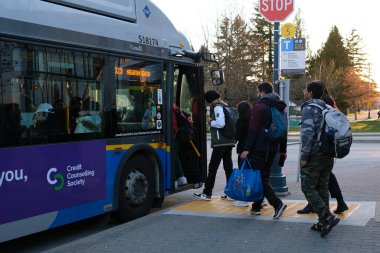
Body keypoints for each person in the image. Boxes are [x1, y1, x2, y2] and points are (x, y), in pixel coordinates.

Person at [297, 81, 348, 215]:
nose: (304, 92)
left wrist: (304, 156)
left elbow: (307, 134)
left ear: (310, 93)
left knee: (307, 186)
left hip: (315, 153)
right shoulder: (326, 106)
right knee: (323, 186)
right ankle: (324, 220)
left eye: (305, 90)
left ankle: (326, 217)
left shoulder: (308, 108)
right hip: (328, 152)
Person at [240, 82, 287, 219]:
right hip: (273, 148)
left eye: (258, 91)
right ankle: (257, 205)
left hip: (259, 149)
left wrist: (247, 149)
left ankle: (277, 204)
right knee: (263, 176)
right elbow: (284, 129)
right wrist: (282, 150)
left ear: (262, 92)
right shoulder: (279, 106)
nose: (258, 94)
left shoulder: (259, 106)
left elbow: (253, 130)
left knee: (261, 178)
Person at [193, 90, 236, 201]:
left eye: (208, 101)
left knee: (212, 168)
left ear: (211, 100)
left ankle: (207, 193)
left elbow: (220, 124)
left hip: (220, 143)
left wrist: (210, 121)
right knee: (228, 167)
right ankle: (230, 193)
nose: (209, 104)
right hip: (229, 141)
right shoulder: (226, 106)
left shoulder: (218, 107)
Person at [233, 101, 252, 207]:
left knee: (243, 174)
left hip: (243, 150)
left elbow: (238, 136)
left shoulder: (241, 120)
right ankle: (260, 198)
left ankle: (243, 199)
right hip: (253, 150)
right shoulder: (253, 119)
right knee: (253, 174)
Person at [172, 103, 191, 187]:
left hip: (174, 136)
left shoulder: (168, 107)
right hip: (179, 136)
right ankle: (180, 177)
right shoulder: (175, 107)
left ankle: (175, 179)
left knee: (173, 157)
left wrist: (174, 134)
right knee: (174, 156)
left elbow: (173, 124)